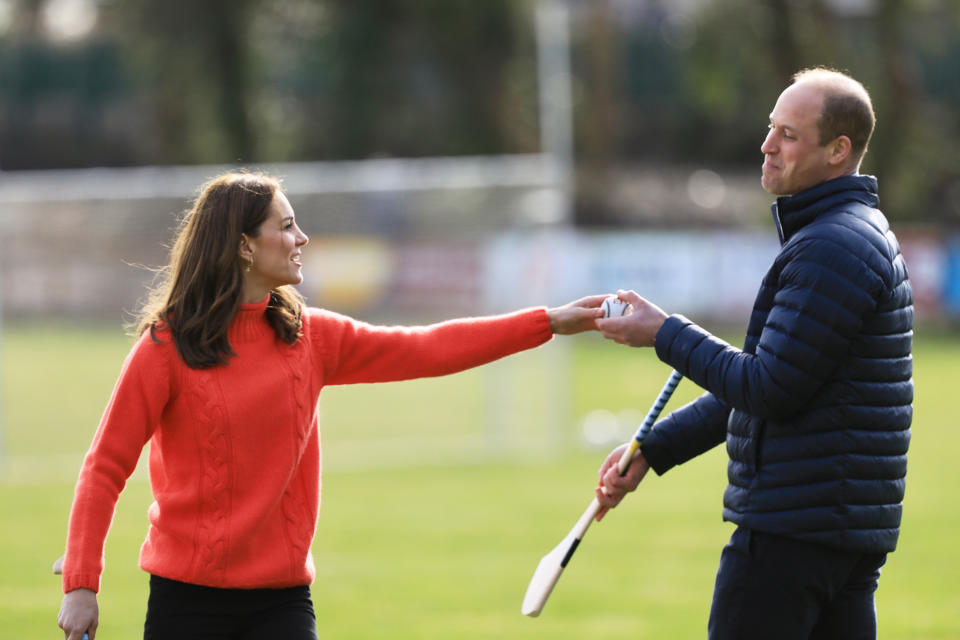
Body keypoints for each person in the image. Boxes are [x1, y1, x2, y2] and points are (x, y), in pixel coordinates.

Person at [55, 170, 608, 640]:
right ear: (245, 244)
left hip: (283, 603)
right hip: (186, 604)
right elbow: (104, 467)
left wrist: (547, 323)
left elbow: (427, 348)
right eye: (287, 225)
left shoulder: (312, 337)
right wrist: (82, 582)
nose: (302, 238)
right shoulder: (165, 348)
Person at [594, 67, 913, 640]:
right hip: (831, 531)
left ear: (838, 150)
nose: (767, 145)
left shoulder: (833, 246)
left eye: (789, 134)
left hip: (792, 535)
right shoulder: (847, 234)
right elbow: (777, 385)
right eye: (772, 128)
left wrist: (665, 334)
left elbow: (767, 387)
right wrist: (656, 446)